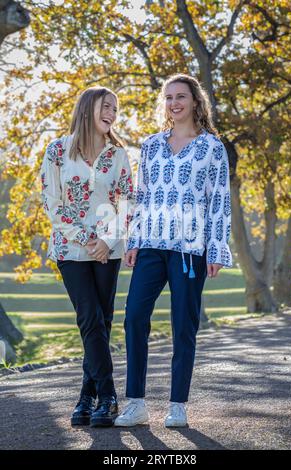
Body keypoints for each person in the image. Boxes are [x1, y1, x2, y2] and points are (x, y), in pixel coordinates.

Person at [114, 74, 233, 428]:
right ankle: (135, 403)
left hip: (190, 251)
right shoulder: (150, 145)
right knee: (134, 317)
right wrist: (132, 240)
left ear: (196, 101)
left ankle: (177, 405)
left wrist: (216, 249)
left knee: (184, 326)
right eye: (168, 98)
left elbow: (220, 202)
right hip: (150, 245)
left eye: (180, 96)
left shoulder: (212, 147)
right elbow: (139, 195)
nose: (174, 103)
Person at [40, 86, 134, 427]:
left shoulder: (118, 155)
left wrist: (107, 241)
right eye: (105, 106)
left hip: (107, 252)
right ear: (87, 108)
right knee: (89, 317)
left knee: (102, 322)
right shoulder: (57, 151)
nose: (111, 112)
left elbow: (126, 202)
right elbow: (52, 202)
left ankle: (85, 398)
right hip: (70, 249)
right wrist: (85, 237)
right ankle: (108, 396)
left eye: (115, 108)